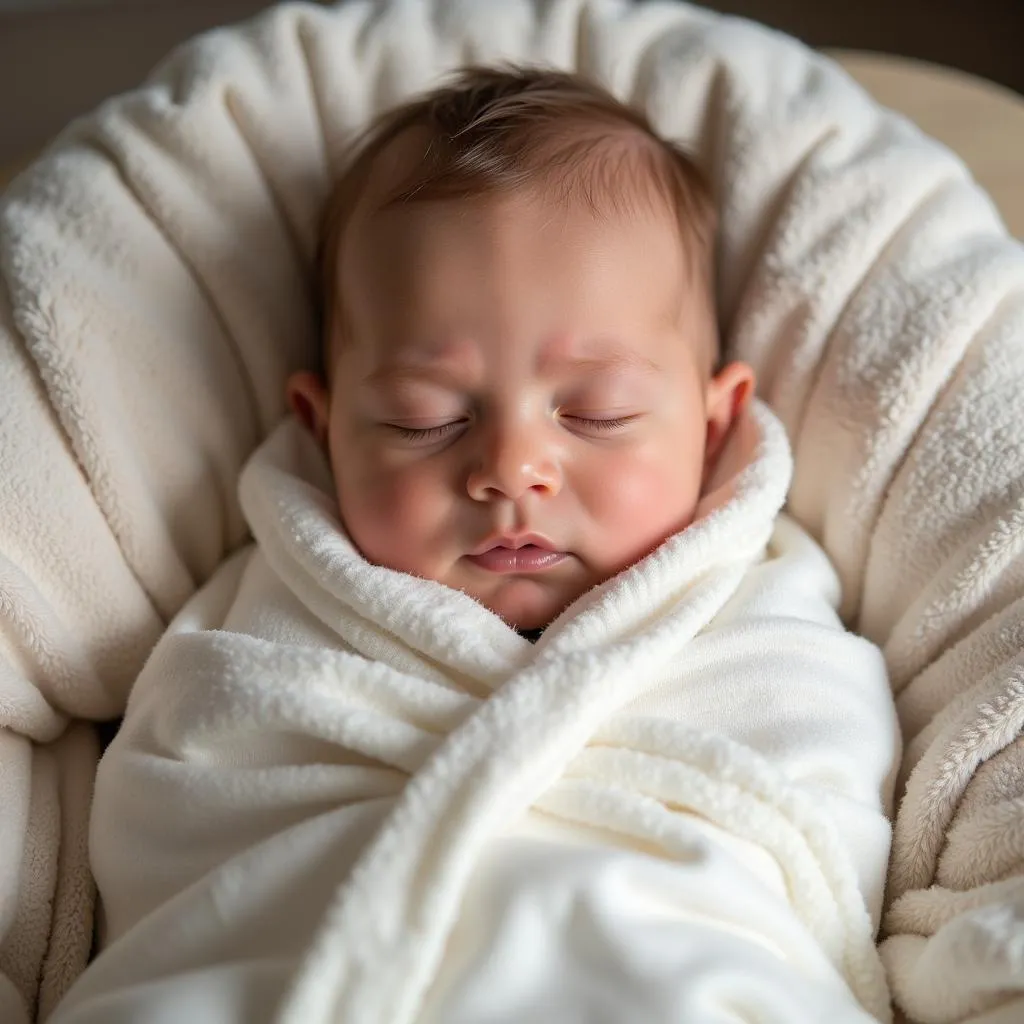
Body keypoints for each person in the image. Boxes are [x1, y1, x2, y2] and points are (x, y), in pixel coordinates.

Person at [53, 68, 900, 1024]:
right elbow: (176, 822)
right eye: (423, 421)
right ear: (322, 426)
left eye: (597, 411)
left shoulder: (764, 607)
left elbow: (820, 822)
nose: (510, 468)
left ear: (713, 424)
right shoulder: (256, 619)